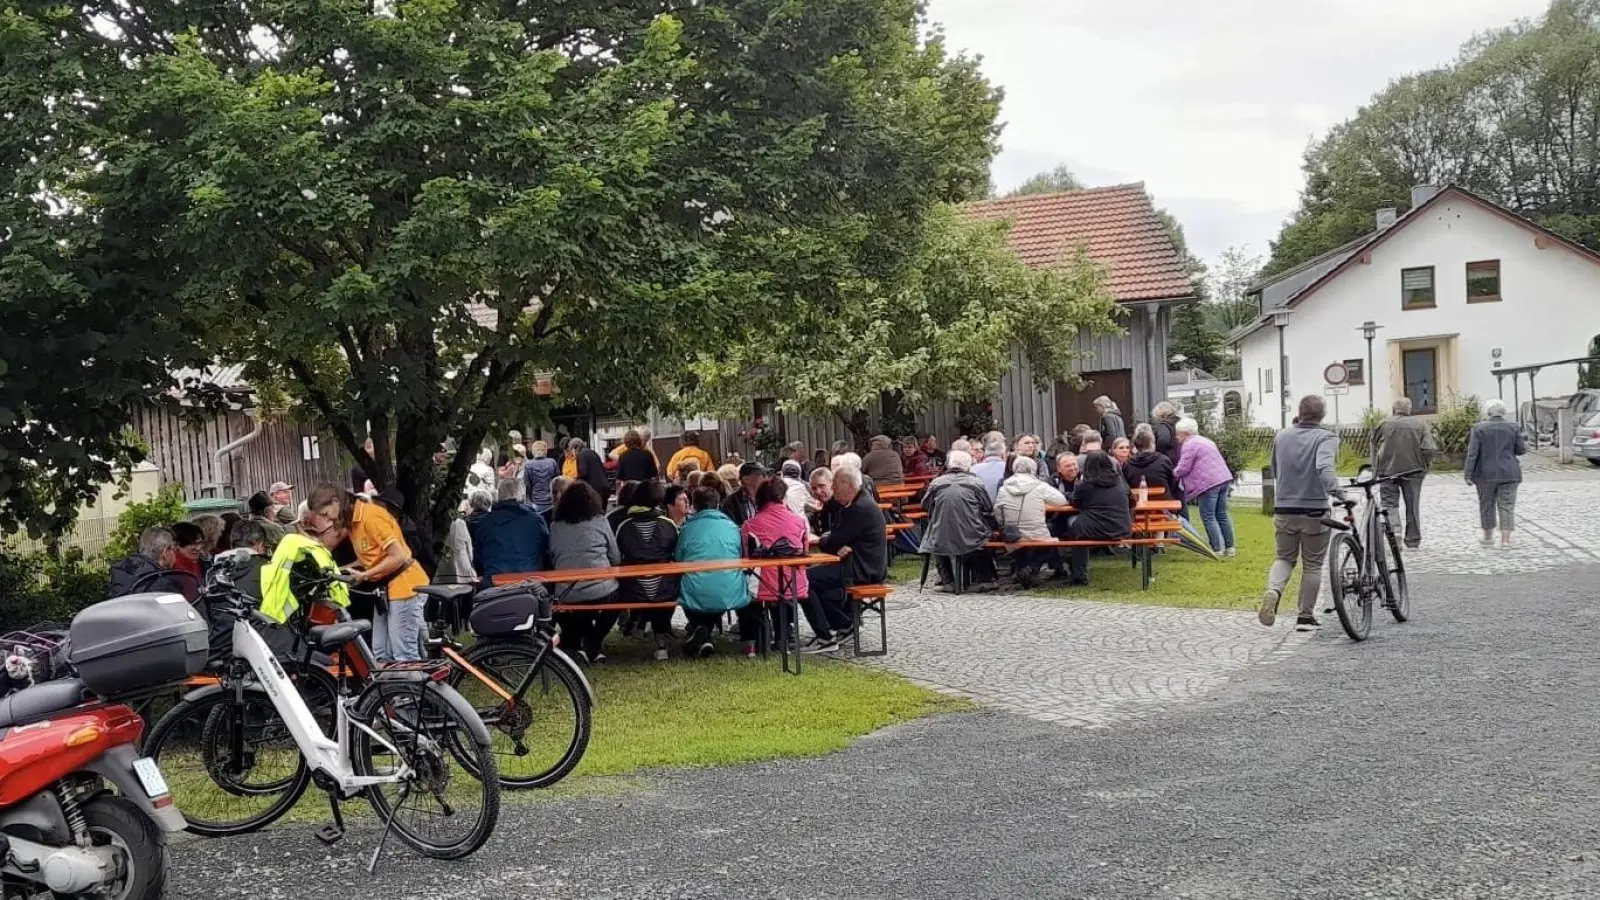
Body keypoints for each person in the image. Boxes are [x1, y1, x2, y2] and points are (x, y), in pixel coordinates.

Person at [302, 483, 430, 662]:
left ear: (336, 502)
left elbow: (399, 556)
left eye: (326, 513)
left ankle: (415, 680)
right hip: (385, 589)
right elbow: (370, 557)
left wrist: (364, 575)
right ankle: (392, 680)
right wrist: (344, 570)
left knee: (403, 653)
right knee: (380, 654)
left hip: (405, 586)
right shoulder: (352, 522)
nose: (329, 520)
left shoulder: (371, 517)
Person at [1258, 396, 1341, 631]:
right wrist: (1338, 492)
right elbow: (1324, 467)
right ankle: (1305, 617)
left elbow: (1275, 468)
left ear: (1299, 412)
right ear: (1322, 415)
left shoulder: (1282, 436)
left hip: (1284, 507)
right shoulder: (1326, 437)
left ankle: (1274, 591)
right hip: (1315, 510)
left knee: (1284, 557)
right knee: (1313, 565)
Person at [805, 467, 887, 652]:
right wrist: (834, 541)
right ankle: (844, 624)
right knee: (817, 583)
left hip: (862, 569)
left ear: (848, 485)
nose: (833, 488)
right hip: (858, 565)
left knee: (804, 580)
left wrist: (825, 540)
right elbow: (836, 538)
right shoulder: (856, 503)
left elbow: (833, 541)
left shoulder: (859, 508)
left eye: (835, 484)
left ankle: (825, 636)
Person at [547, 481, 622, 663]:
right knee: (618, 599)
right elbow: (615, 557)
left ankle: (581, 643)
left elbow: (553, 558)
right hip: (601, 589)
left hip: (566, 591)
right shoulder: (601, 522)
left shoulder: (555, 526)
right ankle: (593, 641)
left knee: (578, 609)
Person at [741, 477, 814, 649]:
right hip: (795, 583)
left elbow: (746, 557)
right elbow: (805, 552)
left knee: (754, 584)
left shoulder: (750, 525)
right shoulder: (800, 522)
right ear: (783, 497)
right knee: (781, 586)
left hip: (761, 585)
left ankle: (756, 639)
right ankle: (783, 637)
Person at [675, 485, 748, 658]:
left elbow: (678, 558)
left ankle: (701, 629)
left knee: (688, 584)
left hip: (696, 590)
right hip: (730, 588)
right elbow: (740, 554)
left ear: (694, 505)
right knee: (716, 588)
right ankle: (704, 633)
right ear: (717, 504)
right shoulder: (732, 527)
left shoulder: (687, 529)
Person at [614, 480, 680, 660]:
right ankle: (660, 640)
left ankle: (639, 623)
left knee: (647, 584)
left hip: (633, 589)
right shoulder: (668, 524)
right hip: (665, 589)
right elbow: (677, 554)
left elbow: (618, 557)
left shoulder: (624, 526)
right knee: (669, 578)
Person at [918, 450, 996, 592]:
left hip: (942, 532)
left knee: (936, 537)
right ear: (968, 466)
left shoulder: (937, 483)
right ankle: (984, 578)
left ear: (949, 465)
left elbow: (924, 505)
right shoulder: (976, 483)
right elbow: (988, 507)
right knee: (983, 539)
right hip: (972, 532)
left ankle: (947, 580)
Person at [1371, 397, 1437, 549]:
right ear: (1409, 409)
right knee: (1412, 505)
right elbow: (1429, 449)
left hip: (1387, 470)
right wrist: (1425, 466)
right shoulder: (1420, 424)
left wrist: (1376, 468)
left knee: (1389, 503)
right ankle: (1413, 539)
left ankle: (1395, 531)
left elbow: (1374, 445)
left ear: (1394, 409)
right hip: (1414, 470)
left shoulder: (1383, 424)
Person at [995, 456, 1068, 587]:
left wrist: (1003, 525)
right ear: (1033, 470)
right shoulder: (1040, 486)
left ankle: (1024, 570)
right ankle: (1031, 569)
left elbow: (998, 512)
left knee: (1020, 548)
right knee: (1049, 546)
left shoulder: (1004, 488)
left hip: (1013, 535)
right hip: (1037, 534)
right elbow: (1061, 501)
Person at [1464, 398, 1526, 549]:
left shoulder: (1479, 428)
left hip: (1484, 473)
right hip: (1509, 473)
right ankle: (1505, 540)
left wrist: (1468, 474)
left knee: (1486, 505)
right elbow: (1521, 450)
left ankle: (1488, 536)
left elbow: (1472, 453)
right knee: (1507, 505)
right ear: (1504, 412)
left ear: (1488, 412)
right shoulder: (1514, 427)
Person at [1062, 452, 1132, 586]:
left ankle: (1079, 573)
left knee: (1073, 523)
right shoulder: (1120, 482)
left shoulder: (1085, 485)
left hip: (1092, 528)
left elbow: (1075, 503)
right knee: (1079, 528)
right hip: (1121, 528)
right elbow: (1132, 502)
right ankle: (1075, 565)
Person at [468, 476, 550, 587]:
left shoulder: (485, 523)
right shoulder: (536, 520)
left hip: (495, 585)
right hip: (531, 584)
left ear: (499, 495)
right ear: (522, 495)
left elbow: (478, 556)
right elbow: (546, 551)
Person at [1173, 417, 1235, 556]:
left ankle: (1216, 548)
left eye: (1178, 434)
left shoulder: (1190, 444)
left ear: (1184, 433)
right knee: (1222, 514)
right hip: (1223, 479)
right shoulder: (1206, 441)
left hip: (1208, 483)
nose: (1177, 437)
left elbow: (1183, 467)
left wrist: (1172, 473)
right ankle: (1230, 547)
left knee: (1208, 516)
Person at [109, 526, 192, 598]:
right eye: (174, 550)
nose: (175, 555)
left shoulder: (123, 571)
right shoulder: (166, 585)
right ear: (166, 552)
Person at [1123, 424, 1177, 498]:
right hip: (1162, 500)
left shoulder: (1127, 464)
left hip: (1137, 501)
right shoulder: (1164, 460)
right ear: (1152, 443)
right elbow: (1172, 483)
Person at [720, 461, 765, 527]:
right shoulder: (731, 502)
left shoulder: (768, 497)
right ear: (746, 480)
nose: (765, 479)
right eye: (761, 476)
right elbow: (729, 527)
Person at [570, 438, 611, 504]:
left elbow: (583, 474)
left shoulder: (581, 455)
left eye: (571, 450)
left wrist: (575, 484)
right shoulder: (592, 452)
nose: (572, 454)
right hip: (604, 488)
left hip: (595, 491)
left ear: (575, 447)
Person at [523, 440, 560, 512]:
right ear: (545, 451)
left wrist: (530, 500)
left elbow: (527, 485)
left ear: (533, 451)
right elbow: (557, 481)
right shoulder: (552, 462)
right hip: (551, 501)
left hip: (536, 501)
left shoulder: (528, 464)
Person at [1150, 402, 1183, 474]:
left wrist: (1156, 453)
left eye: (1157, 417)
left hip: (1170, 460)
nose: (1156, 419)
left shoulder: (1164, 425)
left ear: (1162, 415)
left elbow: (1163, 441)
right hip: (1183, 458)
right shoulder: (1182, 422)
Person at [807, 467, 836, 533]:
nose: (818, 491)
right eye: (814, 488)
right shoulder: (816, 508)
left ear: (832, 484)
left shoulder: (842, 506)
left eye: (821, 486)